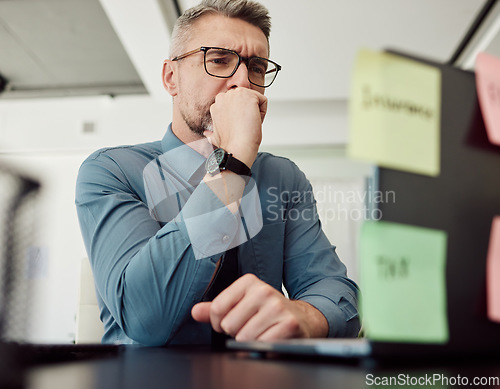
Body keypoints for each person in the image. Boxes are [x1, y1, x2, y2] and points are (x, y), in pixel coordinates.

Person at [75, 0, 360, 346]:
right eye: (220, 60)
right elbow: (144, 318)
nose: (243, 82)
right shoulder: (111, 171)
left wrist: (307, 315)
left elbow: (335, 292)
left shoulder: (284, 178)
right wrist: (234, 161)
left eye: (257, 67)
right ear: (171, 77)